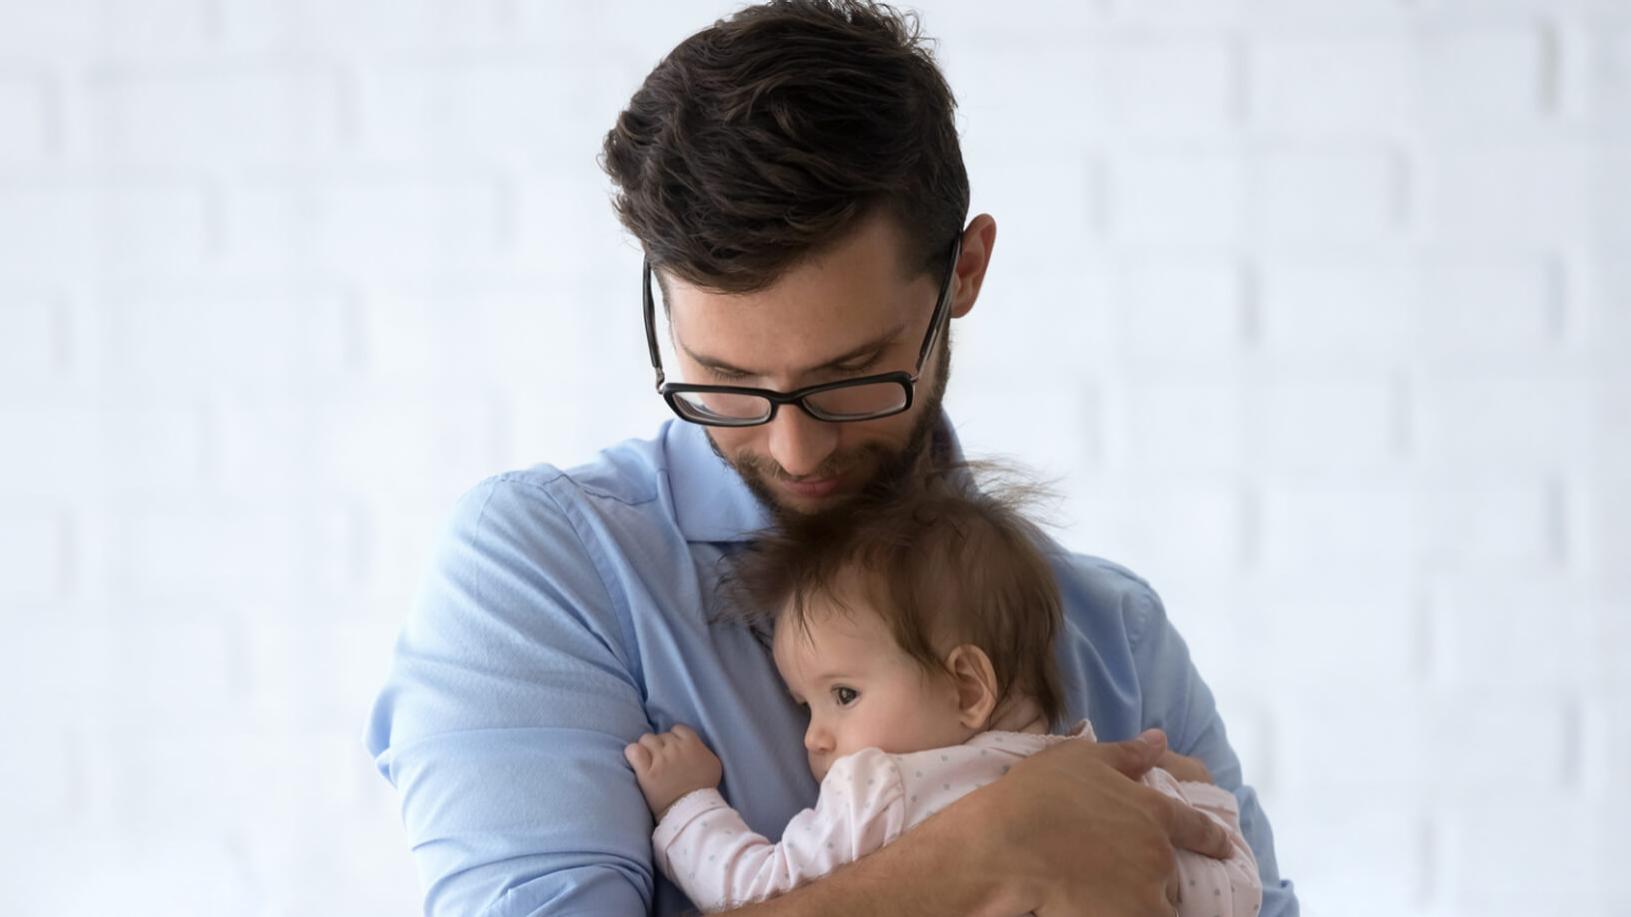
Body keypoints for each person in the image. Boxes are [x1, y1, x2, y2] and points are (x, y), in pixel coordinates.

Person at [364, 2, 1299, 914]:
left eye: (850, 376)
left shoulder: (1114, 635)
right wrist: (983, 857)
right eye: (724, 379)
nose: (791, 444)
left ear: (963, 274)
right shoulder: (550, 570)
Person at [624, 473, 1264, 914]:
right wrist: (1204, 798)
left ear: (967, 687)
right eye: (806, 705)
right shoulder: (1107, 781)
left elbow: (755, 891)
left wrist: (686, 803)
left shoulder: (880, 790)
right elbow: (1234, 894)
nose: (814, 737)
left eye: (843, 695)